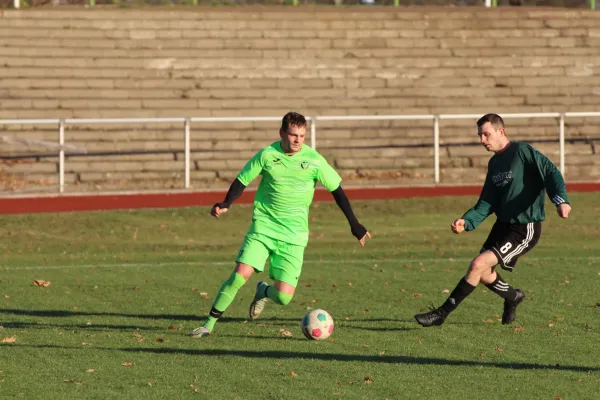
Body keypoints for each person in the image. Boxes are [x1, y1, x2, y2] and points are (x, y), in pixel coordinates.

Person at [189, 111, 371, 338]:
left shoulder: (314, 160)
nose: (297, 140)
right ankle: (208, 325)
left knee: (284, 297)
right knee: (239, 275)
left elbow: (338, 192)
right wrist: (227, 202)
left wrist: (355, 224)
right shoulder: (267, 155)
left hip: (294, 236)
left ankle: (263, 291)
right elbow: (242, 180)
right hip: (263, 228)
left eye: (302, 136)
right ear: (282, 133)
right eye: (293, 135)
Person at [415, 113, 571, 327]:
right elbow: (487, 201)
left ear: (501, 132)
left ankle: (441, 314)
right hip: (503, 225)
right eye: (480, 135)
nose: (482, 140)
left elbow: (551, 173)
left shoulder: (522, 151)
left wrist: (560, 200)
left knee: (478, 264)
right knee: (482, 271)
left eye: (486, 134)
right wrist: (466, 221)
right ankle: (513, 296)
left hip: (524, 228)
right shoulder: (494, 163)